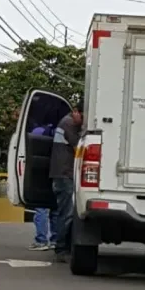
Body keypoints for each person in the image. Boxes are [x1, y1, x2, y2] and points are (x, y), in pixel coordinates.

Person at [49, 99, 84, 262]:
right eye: (83, 116)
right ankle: (61, 249)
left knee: (65, 212)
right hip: (65, 175)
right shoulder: (69, 124)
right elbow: (80, 149)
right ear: (76, 112)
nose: (83, 121)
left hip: (63, 174)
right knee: (67, 213)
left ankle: (63, 246)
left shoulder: (66, 122)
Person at [29, 122, 58, 251]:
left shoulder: (37, 131)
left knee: (41, 208)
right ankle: (55, 240)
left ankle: (41, 240)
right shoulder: (61, 131)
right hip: (58, 172)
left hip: (40, 173)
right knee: (55, 208)